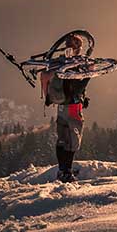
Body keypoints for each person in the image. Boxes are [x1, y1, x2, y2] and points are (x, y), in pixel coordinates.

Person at [39, 34, 91, 182]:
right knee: (73, 140)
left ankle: (62, 170)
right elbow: (77, 85)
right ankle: (67, 173)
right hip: (73, 106)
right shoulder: (76, 62)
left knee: (62, 138)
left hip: (61, 106)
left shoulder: (60, 62)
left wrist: (48, 96)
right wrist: (89, 73)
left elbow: (49, 78)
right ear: (79, 47)